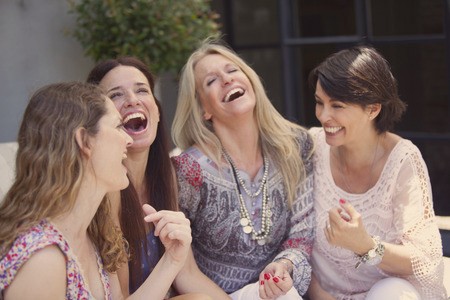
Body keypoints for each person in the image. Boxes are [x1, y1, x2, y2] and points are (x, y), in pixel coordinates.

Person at [0, 82, 194, 299]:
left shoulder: (94, 232)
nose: (128, 140)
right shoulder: (42, 260)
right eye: (118, 127)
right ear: (84, 141)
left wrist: (172, 260)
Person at [171, 39, 315, 300]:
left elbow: (302, 234)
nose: (227, 80)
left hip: (278, 292)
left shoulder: (295, 146)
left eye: (232, 70)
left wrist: (283, 267)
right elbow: (178, 262)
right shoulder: (189, 169)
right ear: (204, 109)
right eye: (211, 81)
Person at [307, 46, 447, 299]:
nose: (323, 116)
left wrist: (365, 245)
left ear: (373, 109)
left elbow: (425, 258)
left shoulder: (403, 159)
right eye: (319, 102)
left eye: (337, 105)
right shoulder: (312, 147)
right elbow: (295, 234)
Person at [87, 57, 230, 299]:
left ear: (157, 111)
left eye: (142, 90)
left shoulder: (167, 175)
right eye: (116, 95)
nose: (133, 100)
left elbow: (188, 275)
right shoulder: (105, 191)